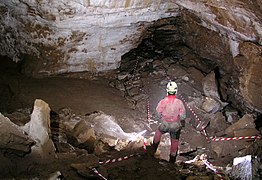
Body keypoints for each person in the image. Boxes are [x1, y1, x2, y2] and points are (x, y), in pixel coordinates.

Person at [149, 81, 186, 163]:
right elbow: (183, 116)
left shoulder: (163, 101)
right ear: (176, 91)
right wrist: (182, 122)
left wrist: (160, 117)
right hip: (175, 125)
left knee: (158, 133)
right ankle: (172, 160)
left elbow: (158, 113)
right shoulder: (179, 102)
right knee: (174, 141)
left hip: (165, 124)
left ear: (167, 91)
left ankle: (152, 151)